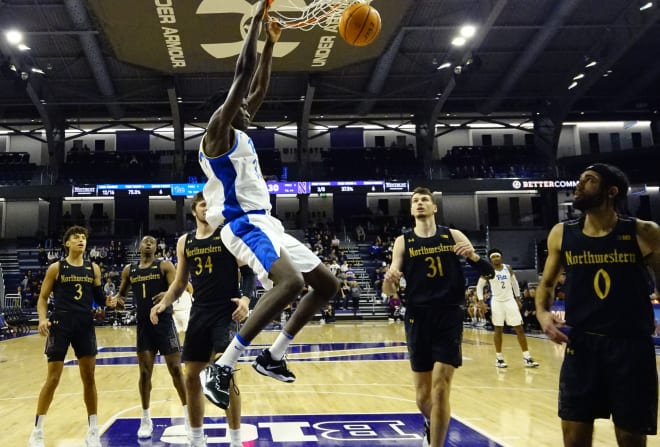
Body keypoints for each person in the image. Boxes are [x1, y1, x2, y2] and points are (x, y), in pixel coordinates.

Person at [196, 0, 338, 411]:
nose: (247, 107)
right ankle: (222, 367)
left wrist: (272, 45)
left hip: (266, 224)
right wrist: (257, 20)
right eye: (237, 106)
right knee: (290, 284)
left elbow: (257, 88)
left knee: (327, 285)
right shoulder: (217, 136)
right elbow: (243, 76)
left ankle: (273, 355)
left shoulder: (239, 129)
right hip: (242, 225)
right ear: (222, 113)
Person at [535, 163, 660, 447]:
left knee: (631, 437)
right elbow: (546, 284)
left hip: (631, 346)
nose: (579, 185)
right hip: (582, 345)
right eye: (579, 180)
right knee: (574, 435)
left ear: (611, 191)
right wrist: (542, 314)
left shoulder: (644, 232)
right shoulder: (561, 233)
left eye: (589, 180)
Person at [382, 187, 495, 447]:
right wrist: (390, 281)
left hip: (449, 314)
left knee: (441, 386)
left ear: (434, 207)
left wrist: (474, 256)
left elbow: (488, 272)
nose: (419, 203)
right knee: (423, 397)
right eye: (415, 201)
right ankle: (431, 422)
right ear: (411, 210)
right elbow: (390, 291)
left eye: (424, 200)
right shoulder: (403, 241)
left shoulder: (452, 235)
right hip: (417, 317)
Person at [150, 192, 254, 447]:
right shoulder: (185, 242)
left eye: (211, 205)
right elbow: (180, 282)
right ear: (194, 210)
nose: (207, 209)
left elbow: (248, 272)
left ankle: (236, 439)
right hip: (200, 312)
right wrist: (164, 303)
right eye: (203, 205)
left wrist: (246, 300)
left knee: (223, 373)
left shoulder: (228, 234)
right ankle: (197, 438)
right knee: (191, 375)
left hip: (225, 311)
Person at [28, 226, 117, 447]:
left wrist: (107, 303)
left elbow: (99, 298)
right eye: (76, 237)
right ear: (67, 243)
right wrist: (41, 319)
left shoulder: (93, 268)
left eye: (84, 237)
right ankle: (37, 431)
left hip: (84, 325)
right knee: (53, 378)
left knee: (89, 378)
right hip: (61, 323)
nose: (81, 240)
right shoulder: (56, 268)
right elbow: (42, 298)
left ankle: (93, 430)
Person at [113, 235, 188, 440]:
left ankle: (188, 415)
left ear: (156, 247)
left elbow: (177, 289)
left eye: (152, 242)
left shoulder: (164, 266)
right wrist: (117, 301)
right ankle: (146, 418)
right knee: (145, 373)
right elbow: (122, 295)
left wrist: (166, 294)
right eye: (145, 241)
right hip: (144, 325)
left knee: (175, 370)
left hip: (164, 324)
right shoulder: (130, 270)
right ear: (139, 246)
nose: (148, 243)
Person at [476, 248, 539, 368]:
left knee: (519, 328)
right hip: (497, 301)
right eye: (493, 257)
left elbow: (514, 283)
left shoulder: (508, 268)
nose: (496, 258)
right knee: (498, 329)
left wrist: (518, 298)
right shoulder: (487, 271)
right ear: (490, 259)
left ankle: (527, 357)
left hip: (509, 300)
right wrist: (480, 301)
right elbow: (479, 287)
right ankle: (499, 358)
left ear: (501, 257)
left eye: (497, 256)